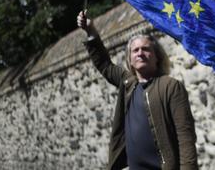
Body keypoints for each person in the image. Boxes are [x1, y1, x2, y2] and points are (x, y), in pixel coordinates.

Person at [77, 10, 198, 170]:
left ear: (157, 57)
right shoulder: (127, 82)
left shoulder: (170, 86)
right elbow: (105, 65)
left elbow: (185, 137)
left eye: (146, 49)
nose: (140, 53)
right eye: (135, 50)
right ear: (130, 60)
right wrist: (91, 31)